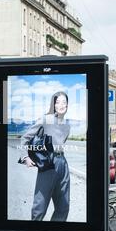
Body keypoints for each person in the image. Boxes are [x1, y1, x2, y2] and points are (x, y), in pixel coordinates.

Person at [20, 92, 71, 222]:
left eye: (64, 102)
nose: (61, 105)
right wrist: (26, 157)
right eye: (58, 102)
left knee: (63, 206)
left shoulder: (67, 125)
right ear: (53, 104)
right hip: (48, 163)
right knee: (40, 206)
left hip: (62, 163)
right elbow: (25, 138)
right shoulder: (46, 119)